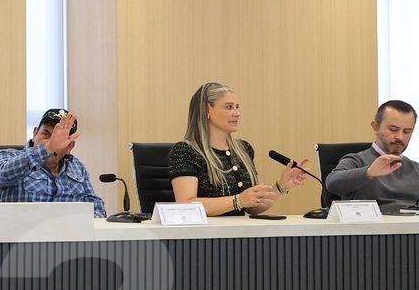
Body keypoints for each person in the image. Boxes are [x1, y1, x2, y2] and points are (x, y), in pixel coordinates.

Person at [169, 81, 307, 216]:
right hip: (205, 231)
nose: (237, 113)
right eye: (229, 107)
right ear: (207, 110)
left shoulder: (244, 149)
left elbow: (251, 206)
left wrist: (281, 186)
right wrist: (238, 201)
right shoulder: (186, 151)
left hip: (239, 230)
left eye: (237, 107)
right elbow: (186, 205)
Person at [0, 109, 106, 217]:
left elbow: (94, 205)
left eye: (60, 138)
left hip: (68, 230)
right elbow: (3, 175)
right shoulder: (8, 156)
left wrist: (90, 223)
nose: (52, 141)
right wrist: (48, 148)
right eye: (46, 134)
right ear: (35, 133)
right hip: (22, 229)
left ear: (70, 146)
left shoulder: (77, 166)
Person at [324, 99, 419, 205]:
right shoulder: (357, 160)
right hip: (370, 216)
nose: (400, 137)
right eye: (393, 129)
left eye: (407, 131)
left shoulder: (416, 168)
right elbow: (331, 183)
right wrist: (368, 173)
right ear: (376, 127)